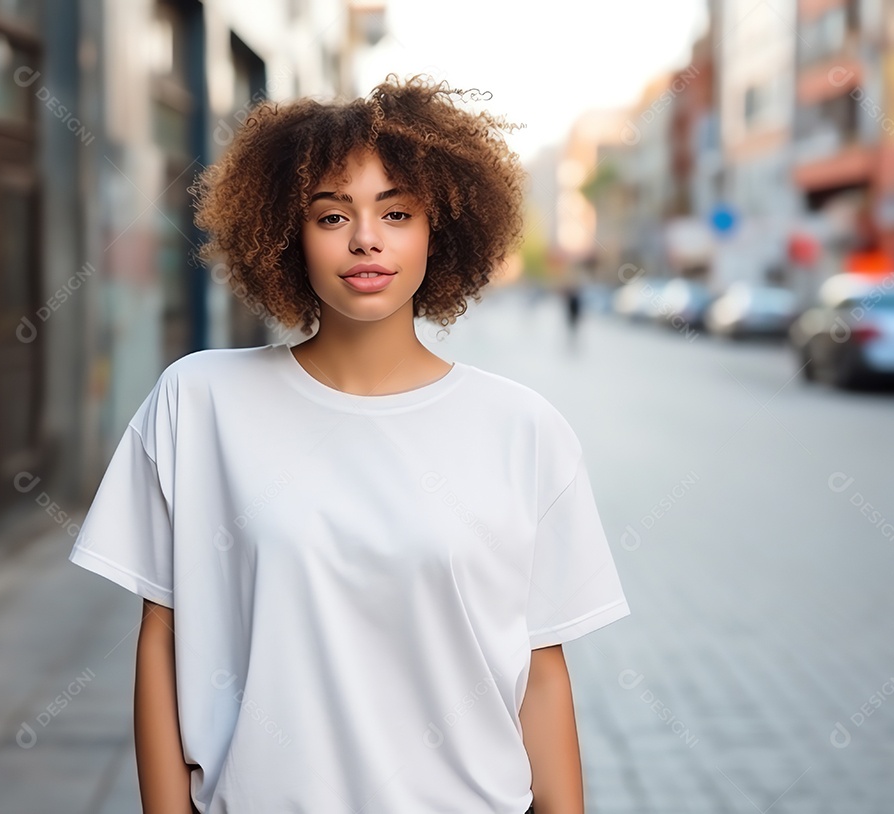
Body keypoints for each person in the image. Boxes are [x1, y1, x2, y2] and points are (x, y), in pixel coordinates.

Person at [68, 73, 631, 814]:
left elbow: (542, 670)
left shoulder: (523, 429)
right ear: (284, 233)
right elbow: (161, 641)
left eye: (396, 212)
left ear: (442, 229)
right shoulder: (199, 402)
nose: (367, 238)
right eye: (332, 216)